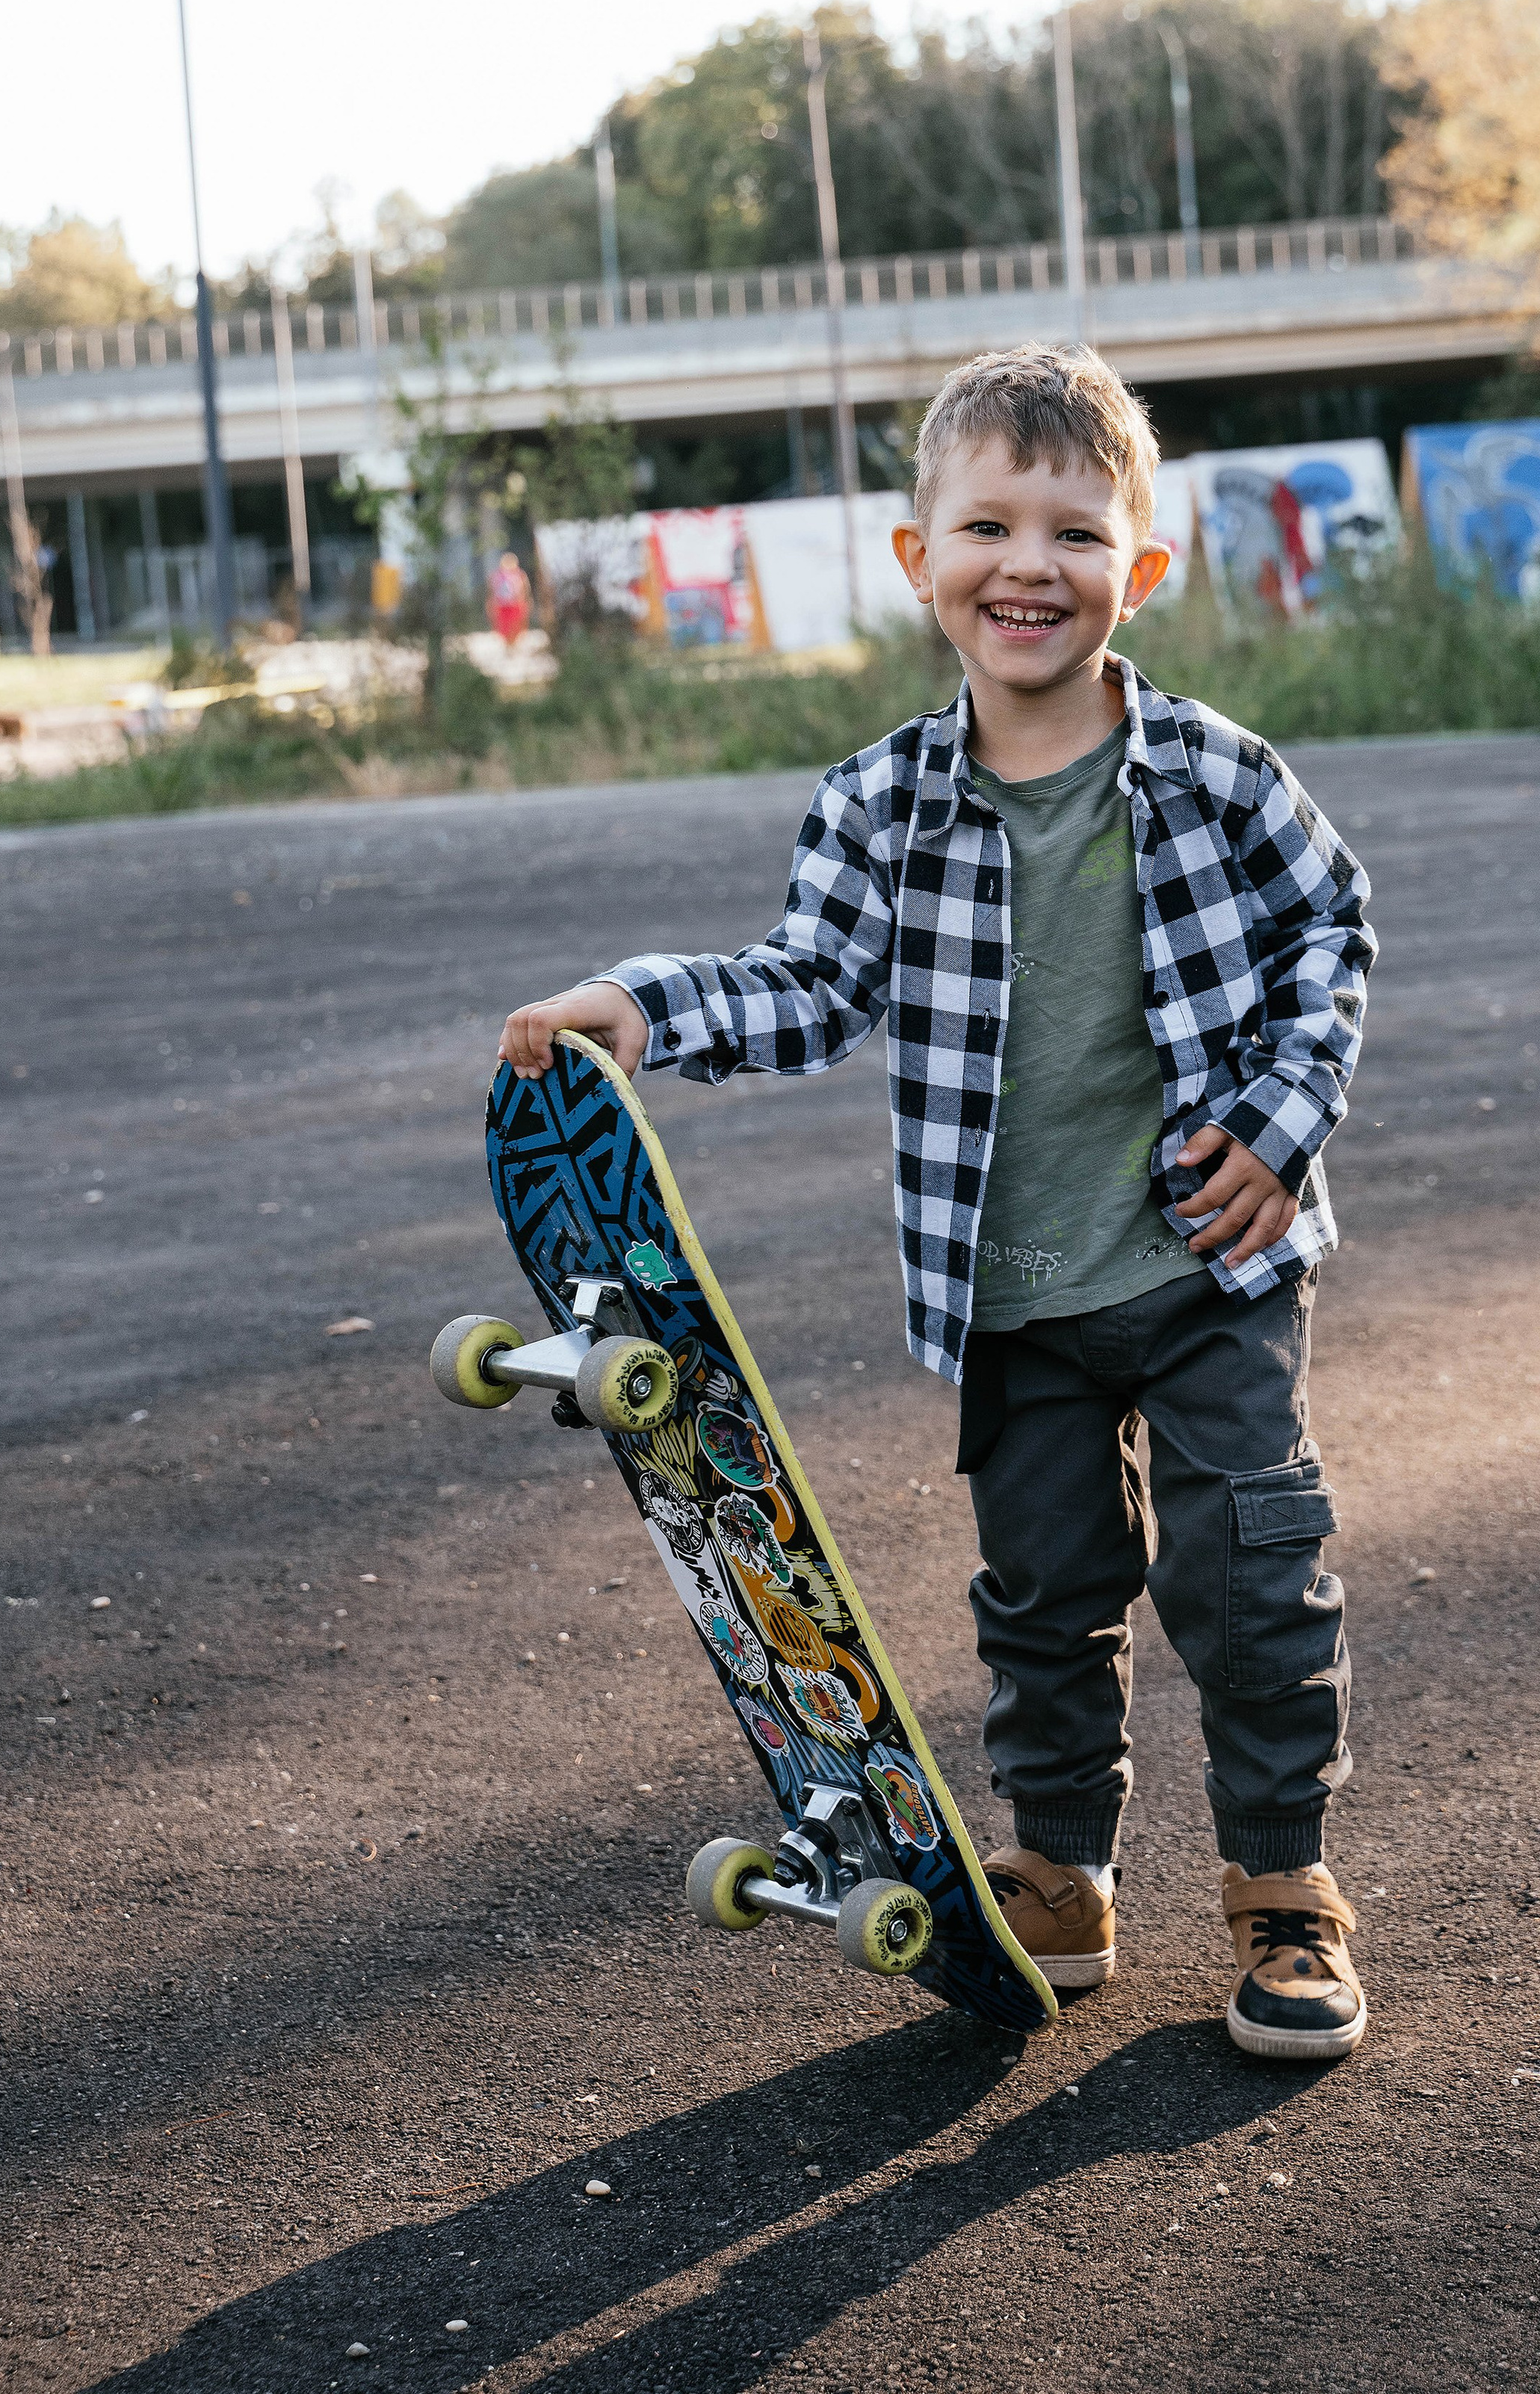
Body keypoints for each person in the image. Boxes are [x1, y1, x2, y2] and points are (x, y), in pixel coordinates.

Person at [498, 344, 1376, 2061]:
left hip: (1213, 1267)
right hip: (1011, 1300)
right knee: (1040, 1596)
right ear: (919, 562)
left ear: (1140, 565)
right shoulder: (879, 806)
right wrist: (644, 1005)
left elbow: (1328, 939)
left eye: (1070, 528)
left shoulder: (1211, 770)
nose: (1025, 563)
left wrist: (1279, 1123)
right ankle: (1057, 1869)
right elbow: (808, 980)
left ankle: (1283, 1887)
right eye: (984, 524)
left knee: (1246, 1571)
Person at [486, 548, 532, 649]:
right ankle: (509, 644)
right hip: (503, 605)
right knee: (505, 626)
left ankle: (512, 644)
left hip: (515, 604)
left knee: (514, 625)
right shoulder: (497, 575)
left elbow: (524, 589)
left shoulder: (519, 574)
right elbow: (492, 591)